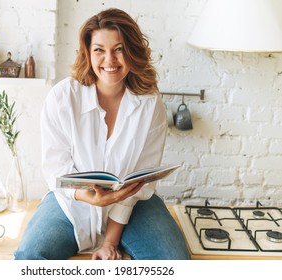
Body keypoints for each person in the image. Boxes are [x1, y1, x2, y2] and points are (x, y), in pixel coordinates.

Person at [14, 8, 190, 260]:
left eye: (119, 49)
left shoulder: (150, 104)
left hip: (133, 201)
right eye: (99, 49)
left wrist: (110, 241)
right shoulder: (63, 97)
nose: (110, 60)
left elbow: (142, 179)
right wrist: (86, 196)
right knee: (28, 257)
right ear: (88, 52)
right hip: (72, 202)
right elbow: (55, 168)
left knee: (175, 262)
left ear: (132, 51)